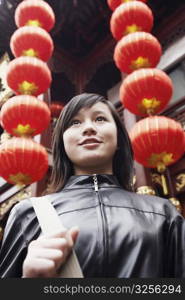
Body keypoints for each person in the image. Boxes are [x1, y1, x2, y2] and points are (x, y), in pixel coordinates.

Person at [0, 93, 185, 278]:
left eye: (100, 119)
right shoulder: (29, 214)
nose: (88, 128)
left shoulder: (162, 212)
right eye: (75, 122)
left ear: (119, 139)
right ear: (62, 143)